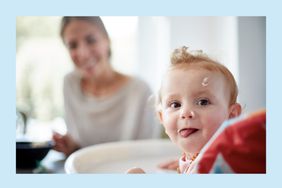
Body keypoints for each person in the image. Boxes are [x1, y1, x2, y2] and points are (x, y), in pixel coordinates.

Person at [53, 16, 160, 156]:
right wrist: (71, 147)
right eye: (73, 45)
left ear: (107, 40)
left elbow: (146, 156)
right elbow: (80, 149)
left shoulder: (141, 91)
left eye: (91, 40)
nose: (83, 53)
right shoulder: (69, 84)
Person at [127, 46, 241, 173]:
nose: (186, 113)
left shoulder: (220, 164)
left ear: (231, 116)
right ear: (162, 118)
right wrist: (189, 164)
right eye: (175, 104)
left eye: (203, 102)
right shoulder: (204, 161)